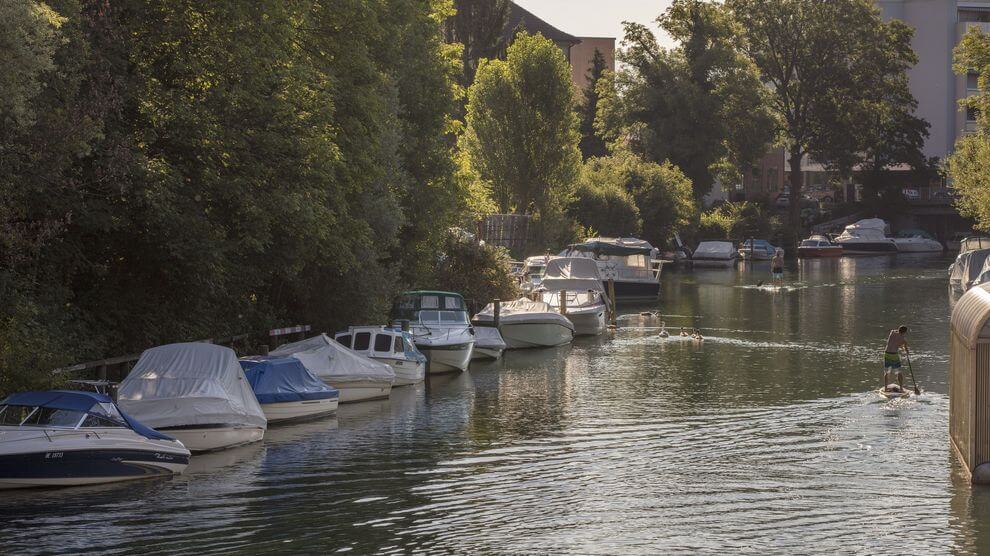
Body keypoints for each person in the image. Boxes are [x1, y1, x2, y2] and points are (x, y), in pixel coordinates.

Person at [883, 326, 909, 391]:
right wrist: (906, 350)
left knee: (887, 372)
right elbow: (904, 347)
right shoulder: (903, 339)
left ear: (898, 329)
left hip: (887, 354)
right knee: (899, 372)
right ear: (904, 332)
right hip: (894, 355)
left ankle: (886, 388)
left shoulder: (892, 332)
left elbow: (896, 343)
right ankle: (901, 388)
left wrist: (901, 346)